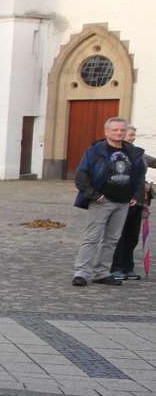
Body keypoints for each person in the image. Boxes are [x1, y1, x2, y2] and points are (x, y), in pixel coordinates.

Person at [73, 116, 145, 287]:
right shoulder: (95, 151)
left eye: (122, 130)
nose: (119, 133)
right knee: (92, 238)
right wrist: (93, 195)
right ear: (106, 132)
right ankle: (82, 273)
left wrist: (137, 195)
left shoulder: (132, 152)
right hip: (102, 201)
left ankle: (102, 272)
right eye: (115, 130)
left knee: (112, 240)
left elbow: (139, 176)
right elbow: (81, 174)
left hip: (123, 202)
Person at [109, 125, 153, 282]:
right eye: (130, 135)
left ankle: (128, 267)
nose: (132, 137)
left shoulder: (139, 154)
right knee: (119, 236)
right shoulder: (116, 154)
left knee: (132, 237)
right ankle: (116, 267)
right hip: (123, 200)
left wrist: (147, 187)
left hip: (139, 200)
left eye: (133, 135)